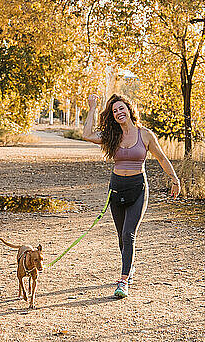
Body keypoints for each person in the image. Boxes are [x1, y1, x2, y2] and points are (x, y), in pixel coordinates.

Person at [82, 93, 181, 298]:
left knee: (129, 234)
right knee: (122, 237)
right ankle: (130, 266)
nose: (119, 113)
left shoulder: (144, 134)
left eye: (121, 108)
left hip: (138, 188)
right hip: (116, 188)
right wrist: (92, 108)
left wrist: (174, 179)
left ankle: (124, 280)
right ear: (112, 115)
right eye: (114, 110)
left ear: (129, 109)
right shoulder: (112, 135)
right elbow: (87, 134)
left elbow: (161, 158)